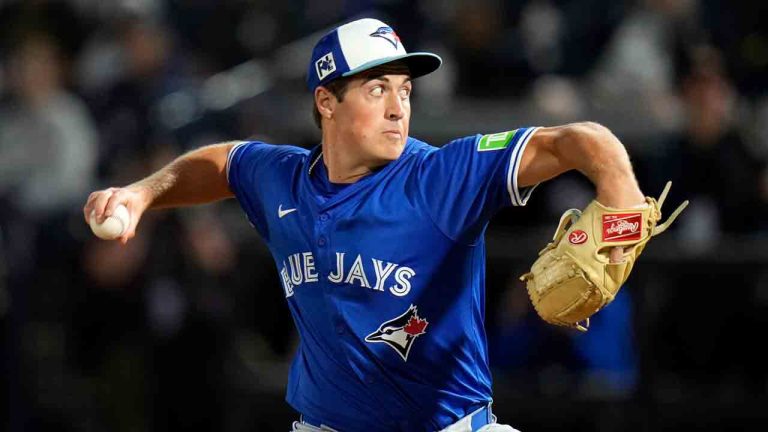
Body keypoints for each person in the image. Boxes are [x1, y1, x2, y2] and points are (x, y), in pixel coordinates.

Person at [83, 18, 646, 432]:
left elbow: (577, 141)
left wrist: (619, 192)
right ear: (326, 101)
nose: (399, 107)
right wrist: (140, 194)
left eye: (404, 89)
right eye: (378, 90)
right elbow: (224, 163)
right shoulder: (282, 179)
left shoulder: (443, 176)